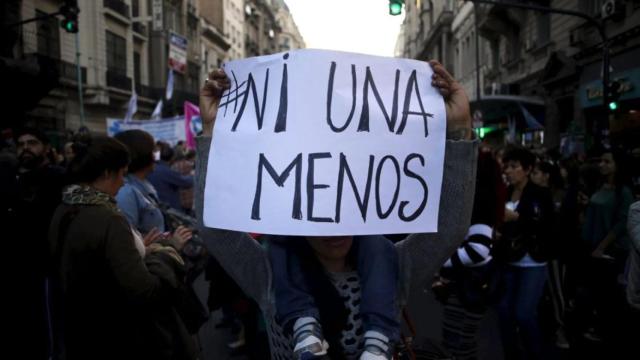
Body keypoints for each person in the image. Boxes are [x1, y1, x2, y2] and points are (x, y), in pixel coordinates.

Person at [195, 60, 477, 360]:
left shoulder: (395, 265)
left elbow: (450, 227)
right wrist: (213, 132)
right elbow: (216, 231)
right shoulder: (269, 273)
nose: (336, 228)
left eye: (347, 212)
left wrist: (459, 128)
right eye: (322, 216)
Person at [47, 135, 197, 360]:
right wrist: (168, 252)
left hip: (80, 333)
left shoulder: (65, 208)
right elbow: (145, 290)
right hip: (119, 336)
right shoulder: (108, 218)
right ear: (107, 172)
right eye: (121, 174)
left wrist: (136, 249)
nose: (123, 182)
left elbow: (94, 261)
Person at [1, 127, 66, 360]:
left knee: (49, 327)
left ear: (46, 148)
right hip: (18, 267)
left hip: (46, 267)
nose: (26, 148)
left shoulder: (57, 177)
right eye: (21, 144)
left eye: (32, 143)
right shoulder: (12, 179)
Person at [434, 151, 504, 360]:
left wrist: (441, 262)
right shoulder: (476, 202)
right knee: (457, 342)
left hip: (472, 287)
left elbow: (478, 250)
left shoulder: (479, 205)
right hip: (468, 286)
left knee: (460, 343)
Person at [494, 147, 555, 360]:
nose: (509, 171)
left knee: (524, 313)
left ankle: (536, 354)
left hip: (533, 262)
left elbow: (547, 227)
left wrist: (517, 218)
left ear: (527, 169)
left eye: (514, 166)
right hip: (509, 260)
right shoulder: (504, 192)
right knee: (503, 312)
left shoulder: (541, 194)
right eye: (506, 166)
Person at [147, 141, 194, 213]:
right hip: (170, 210)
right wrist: (193, 175)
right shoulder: (164, 170)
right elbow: (186, 182)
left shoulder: (155, 168)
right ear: (171, 156)